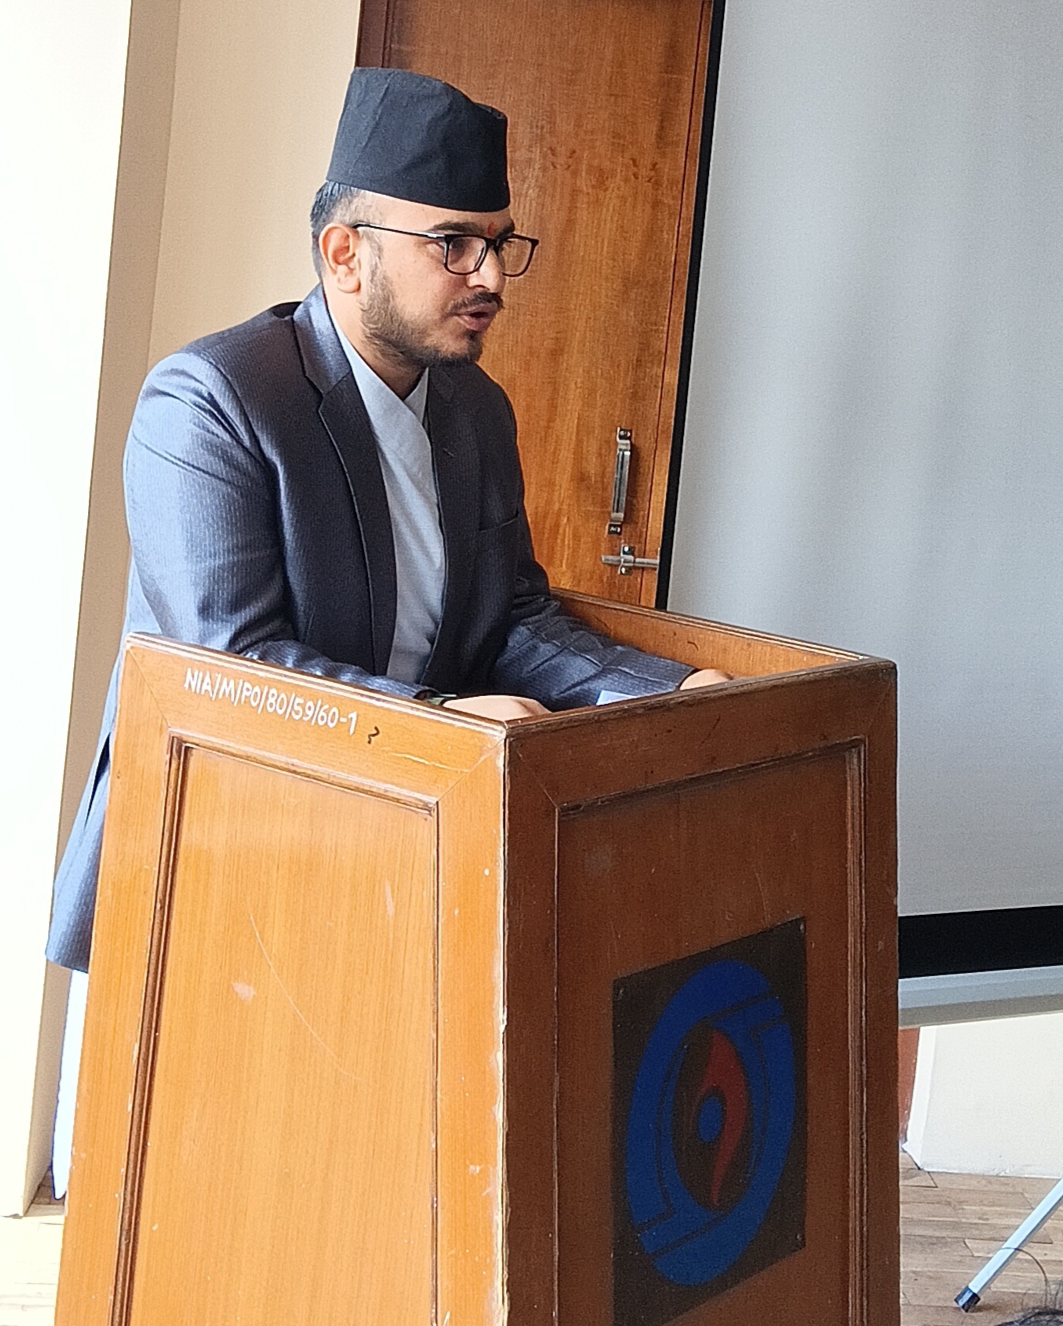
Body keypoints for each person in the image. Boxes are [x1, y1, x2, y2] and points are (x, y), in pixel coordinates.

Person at [46, 68, 728, 973]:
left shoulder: (477, 411)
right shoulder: (212, 400)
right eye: (453, 244)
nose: (490, 276)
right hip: (212, 859)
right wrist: (444, 722)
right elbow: (234, 666)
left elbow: (512, 619)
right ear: (344, 254)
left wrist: (669, 692)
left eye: (498, 243)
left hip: (394, 855)